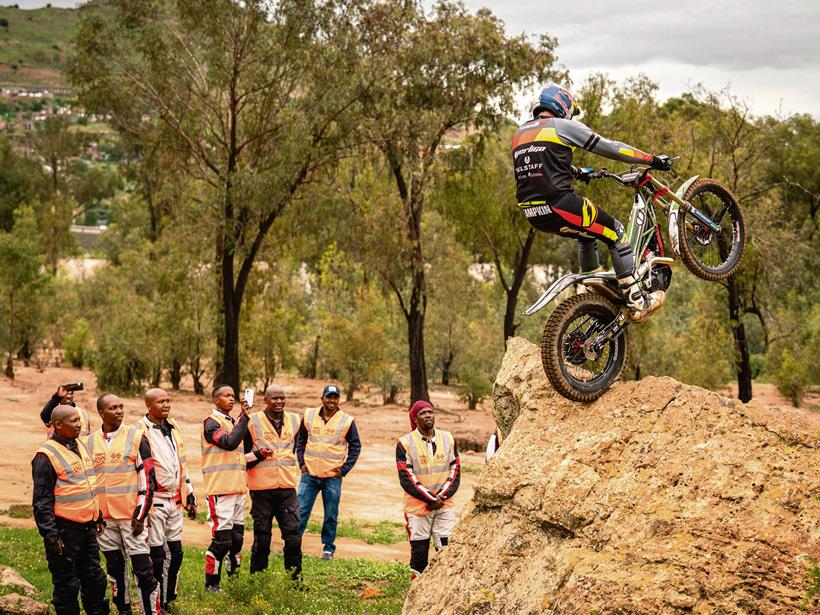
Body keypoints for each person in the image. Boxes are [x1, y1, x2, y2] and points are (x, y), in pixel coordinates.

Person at [512, 82, 672, 323]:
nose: (571, 115)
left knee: (586, 235)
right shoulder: (562, 126)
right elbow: (613, 149)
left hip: (534, 212)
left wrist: (577, 171)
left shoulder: (520, 134)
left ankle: (594, 290)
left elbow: (541, 166)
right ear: (562, 105)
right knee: (617, 233)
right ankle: (637, 302)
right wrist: (652, 159)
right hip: (561, 205)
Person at [32, 404, 109, 615]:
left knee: (95, 579)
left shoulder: (80, 446)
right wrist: (51, 535)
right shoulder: (45, 456)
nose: (79, 424)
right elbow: (41, 501)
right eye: (73, 421)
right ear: (58, 425)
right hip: (65, 532)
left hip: (87, 529)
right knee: (67, 585)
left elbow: (87, 484)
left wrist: (98, 516)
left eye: (79, 420)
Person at [86, 394, 159, 615]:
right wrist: (94, 516)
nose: (119, 411)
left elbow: (148, 479)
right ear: (101, 413)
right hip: (104, 522)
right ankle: (124, 610)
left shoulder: (136, 437)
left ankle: (150, 612)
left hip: (131, 519)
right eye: (112, 408)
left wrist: (140, 515)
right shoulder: (88, 443)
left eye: (121, 407)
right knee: (115, 570)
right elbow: (88, 483)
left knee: (143, 571)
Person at [139, 388, 197, 613]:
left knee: (176, 553)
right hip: (155, 501)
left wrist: (190, 493)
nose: (166, 404)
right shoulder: (140, 431)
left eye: (167, 400)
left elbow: (182, 463)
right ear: (148, 406)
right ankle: (156, 603)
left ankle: (169, 597)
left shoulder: (173, 427)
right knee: (157, 555)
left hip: (175, 500)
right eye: (160, 401)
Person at [201, 384, 263, 592]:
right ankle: (212, 583)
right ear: (215, 400)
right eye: (226, 396)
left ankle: (234, 582)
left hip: (237, 489)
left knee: (236, 541)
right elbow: (228, 442)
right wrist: (244, 417)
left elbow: (238, 458)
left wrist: (259, 454)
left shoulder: (232, 422)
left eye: (233, 396)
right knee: (222, 542)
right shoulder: (211, 423)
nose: (231, 399)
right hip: (220, 491)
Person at [396, 400, 461, 578]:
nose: (428, 415)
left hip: (444, 506)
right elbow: (407, 478)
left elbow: (455, 470)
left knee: (446, 549)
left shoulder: (448, 438)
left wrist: (440, 498)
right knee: (419, 552)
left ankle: (443, 589)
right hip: (418, 509)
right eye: (423, 413)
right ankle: (417, 594)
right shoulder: (405, 443)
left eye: (430, 412)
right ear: (415, 419)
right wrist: (431, 500)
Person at [296, 384, 361, 561]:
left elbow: (355, 446)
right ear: (322, 398)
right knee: (300, 511)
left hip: (332, 477)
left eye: (335, 398)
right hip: (309, 475)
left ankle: (328, 548)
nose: (331, 401)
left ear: (339, 400)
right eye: (328, 397)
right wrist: (301, 463)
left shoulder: (346, 421)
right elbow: (301, 440)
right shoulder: (309, 415)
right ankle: (294, 544)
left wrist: (344, 470)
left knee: (331, 514)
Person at [245, 384, 302, 578]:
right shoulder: (252, 422)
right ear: (265, 400)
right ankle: (258, 580)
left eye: (282, 398)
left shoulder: (295, 420)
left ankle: (294, 582)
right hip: (261, 491)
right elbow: (241, 457)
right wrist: (258, 455)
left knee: (294, 536)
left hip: (287, 489)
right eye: (275, 398)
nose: (279, 402)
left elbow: (299, 446)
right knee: (262, 539)